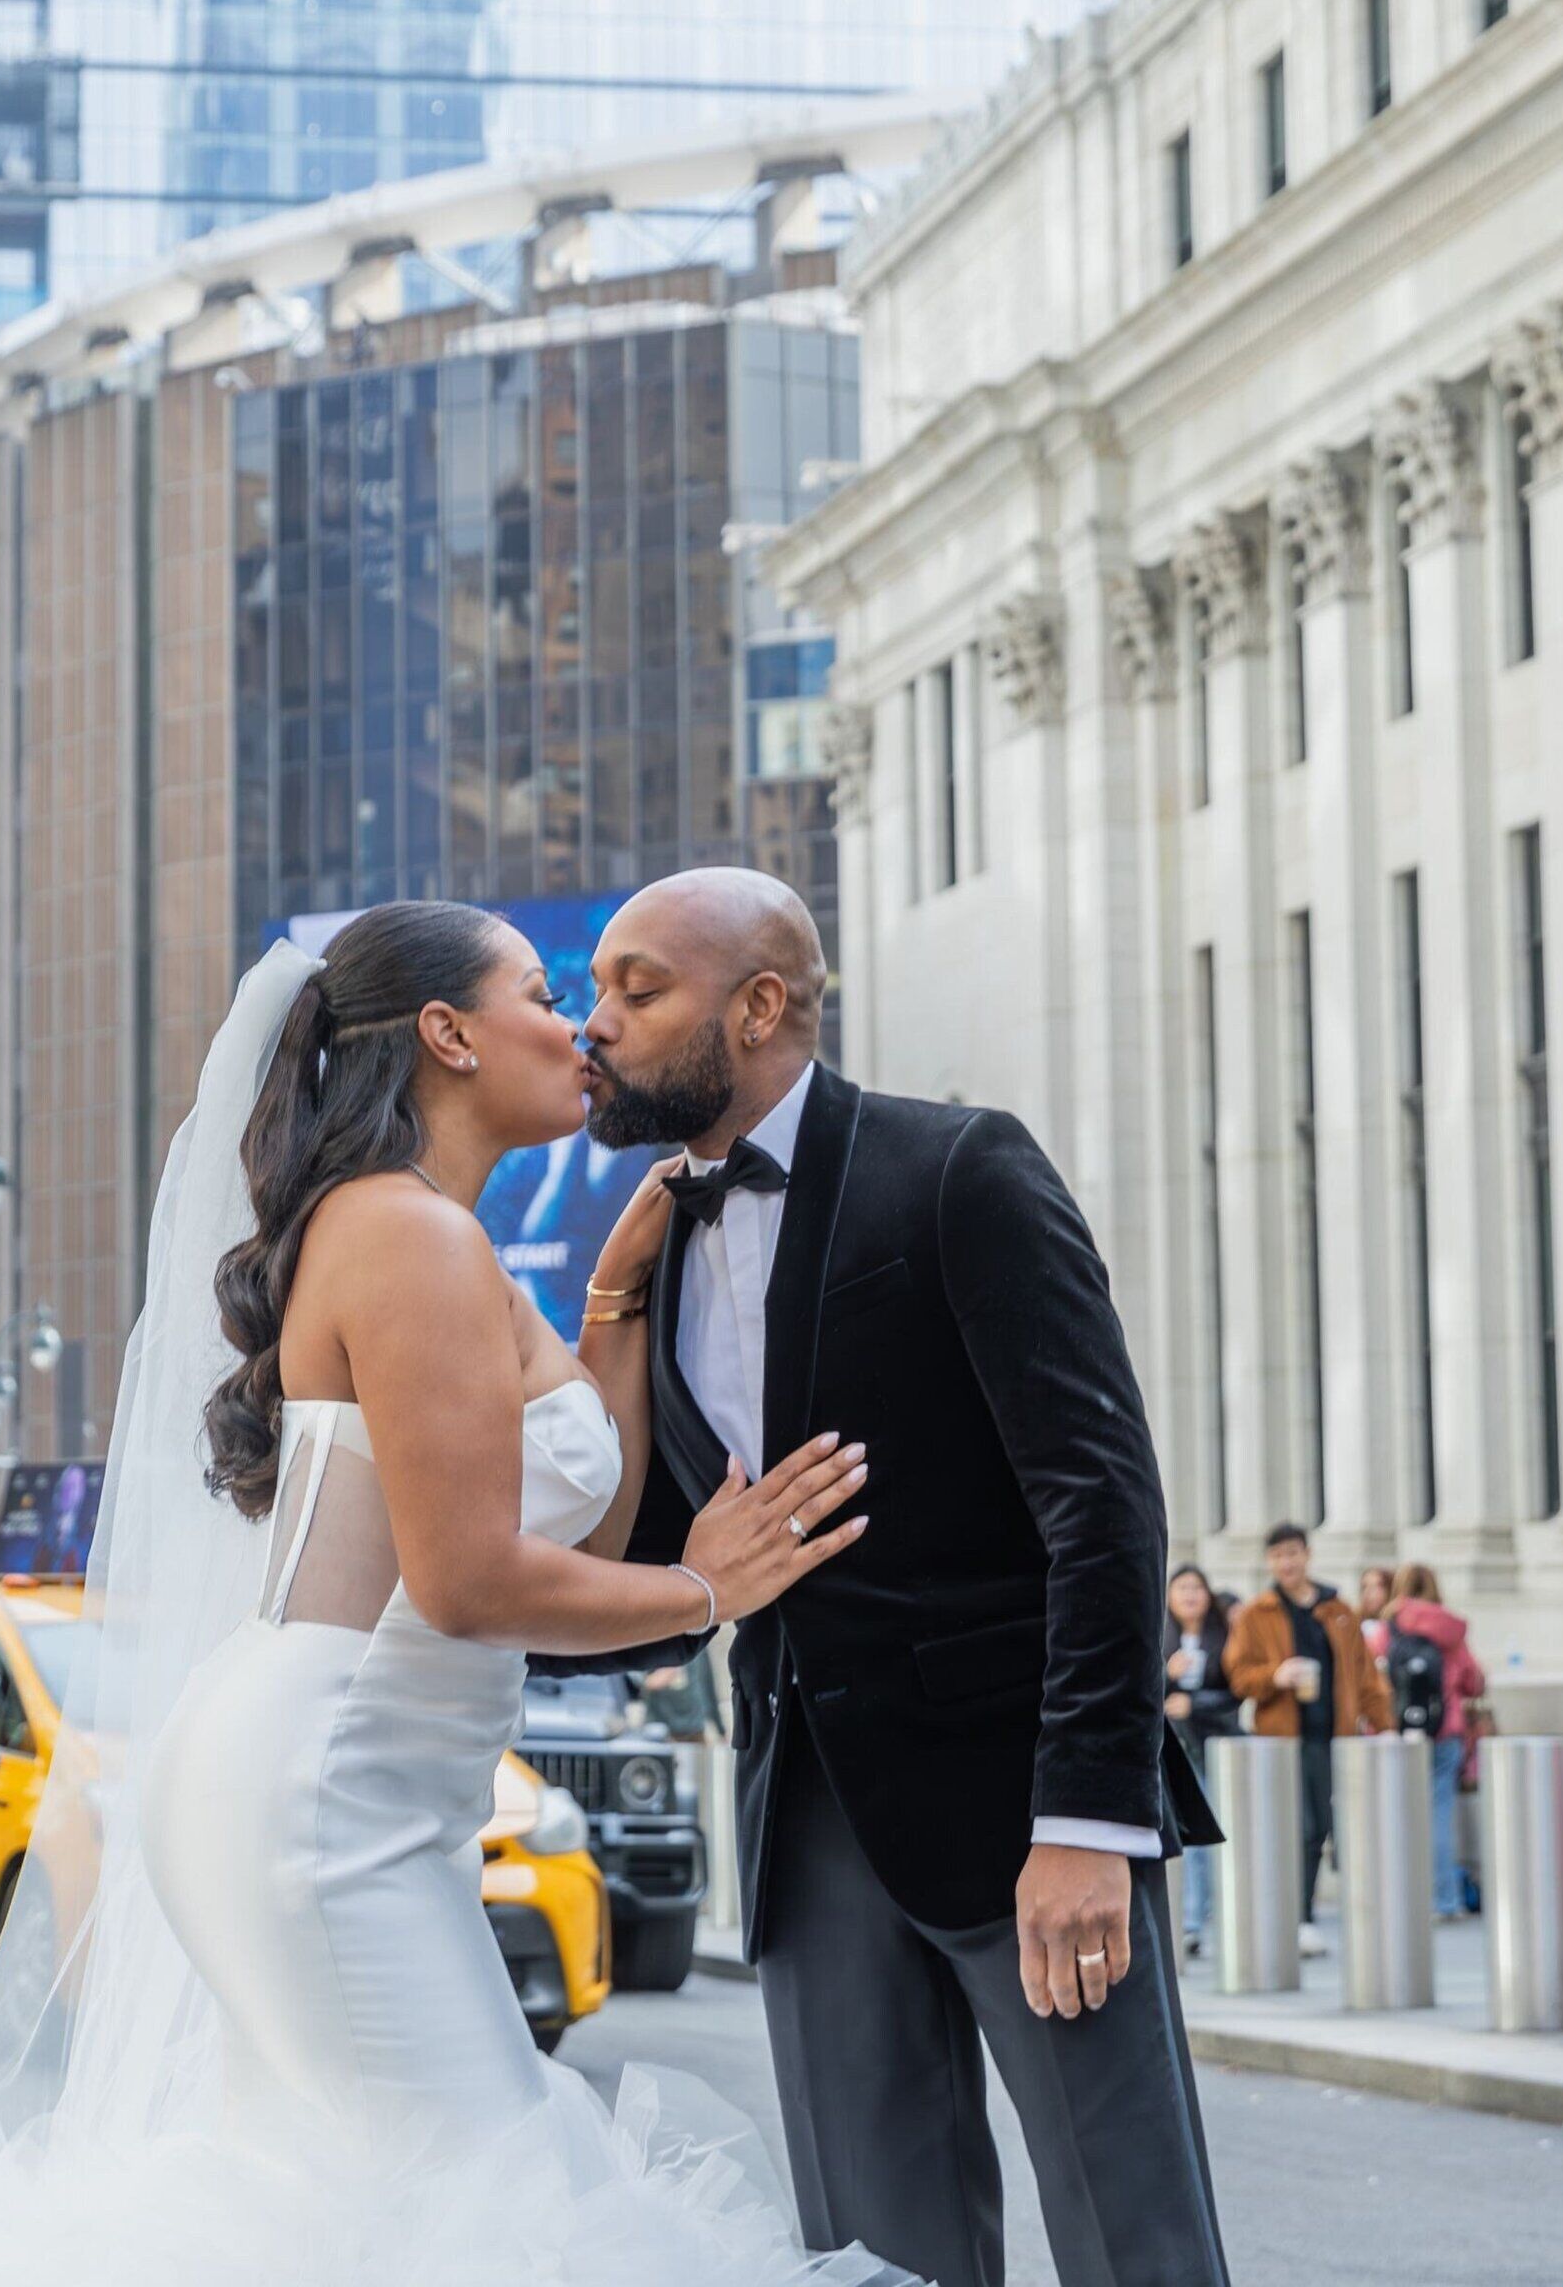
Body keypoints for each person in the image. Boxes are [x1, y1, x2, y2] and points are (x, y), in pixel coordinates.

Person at [0, 906, 891, 2287]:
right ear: (447, 1035)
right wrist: (701, 1591)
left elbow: (579, 1515)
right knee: (485, 2194)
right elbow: (470, 1580)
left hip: (330, 1778)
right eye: (544, 993)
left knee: (364, 2207)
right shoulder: (410, 1242)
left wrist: (612, 1306)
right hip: (326, 1797)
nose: (580, 1028)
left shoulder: (429, 1237)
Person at [565, 868, 1226, 2287]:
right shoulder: (658, 1249)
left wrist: (1089, 1820)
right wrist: (611, 1307)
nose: (592, 1021)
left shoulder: (959, 1168)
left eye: (636, 988)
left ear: (758, 1006)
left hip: (1020, 1811)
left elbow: (1102, 1503)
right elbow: (635, 1574)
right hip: (803, 1827)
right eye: (594, 988)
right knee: (872, 2262)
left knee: (1135, 2246)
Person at [1222, 1523, 1389, 1956]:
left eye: (1293, 1553)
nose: (1287, 1563)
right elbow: (1237, 1675)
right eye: (1278, 1555)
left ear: (1307, 1555)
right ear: (1269, 1562)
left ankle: (1307, 1914)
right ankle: (1296, 1917)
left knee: (1326, 1829)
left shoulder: (1337, 1609)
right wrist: (1275, 1677)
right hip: (1280, 1739)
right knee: (1299, 1827)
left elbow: (1365, 1674)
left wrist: (1386, 1727)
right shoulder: (1258, 1613)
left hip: (1334, 1735)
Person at [1382, 1564, 1486, 1918]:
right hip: (1446, 1731)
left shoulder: (1389, 1626)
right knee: (1440, 1816)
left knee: (1400, 1816)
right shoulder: (1449, 1629)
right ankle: (1445, 1899)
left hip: (1399, 1735)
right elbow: (1474, 1681)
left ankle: (1404, 1898)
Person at [1163, 1567, 1240, 1960]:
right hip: (1178, 1748)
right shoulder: (1161, 1637)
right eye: (1182, 1588)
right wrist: (1166, 1676)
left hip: (1218, 1745)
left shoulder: (1224, 1636)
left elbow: (1237, 1693)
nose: (1191, 1595)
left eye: (1197, 1587)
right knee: (1191, 1842)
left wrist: (1195, 1703)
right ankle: (1191, 1921)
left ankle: (1215, 1916)